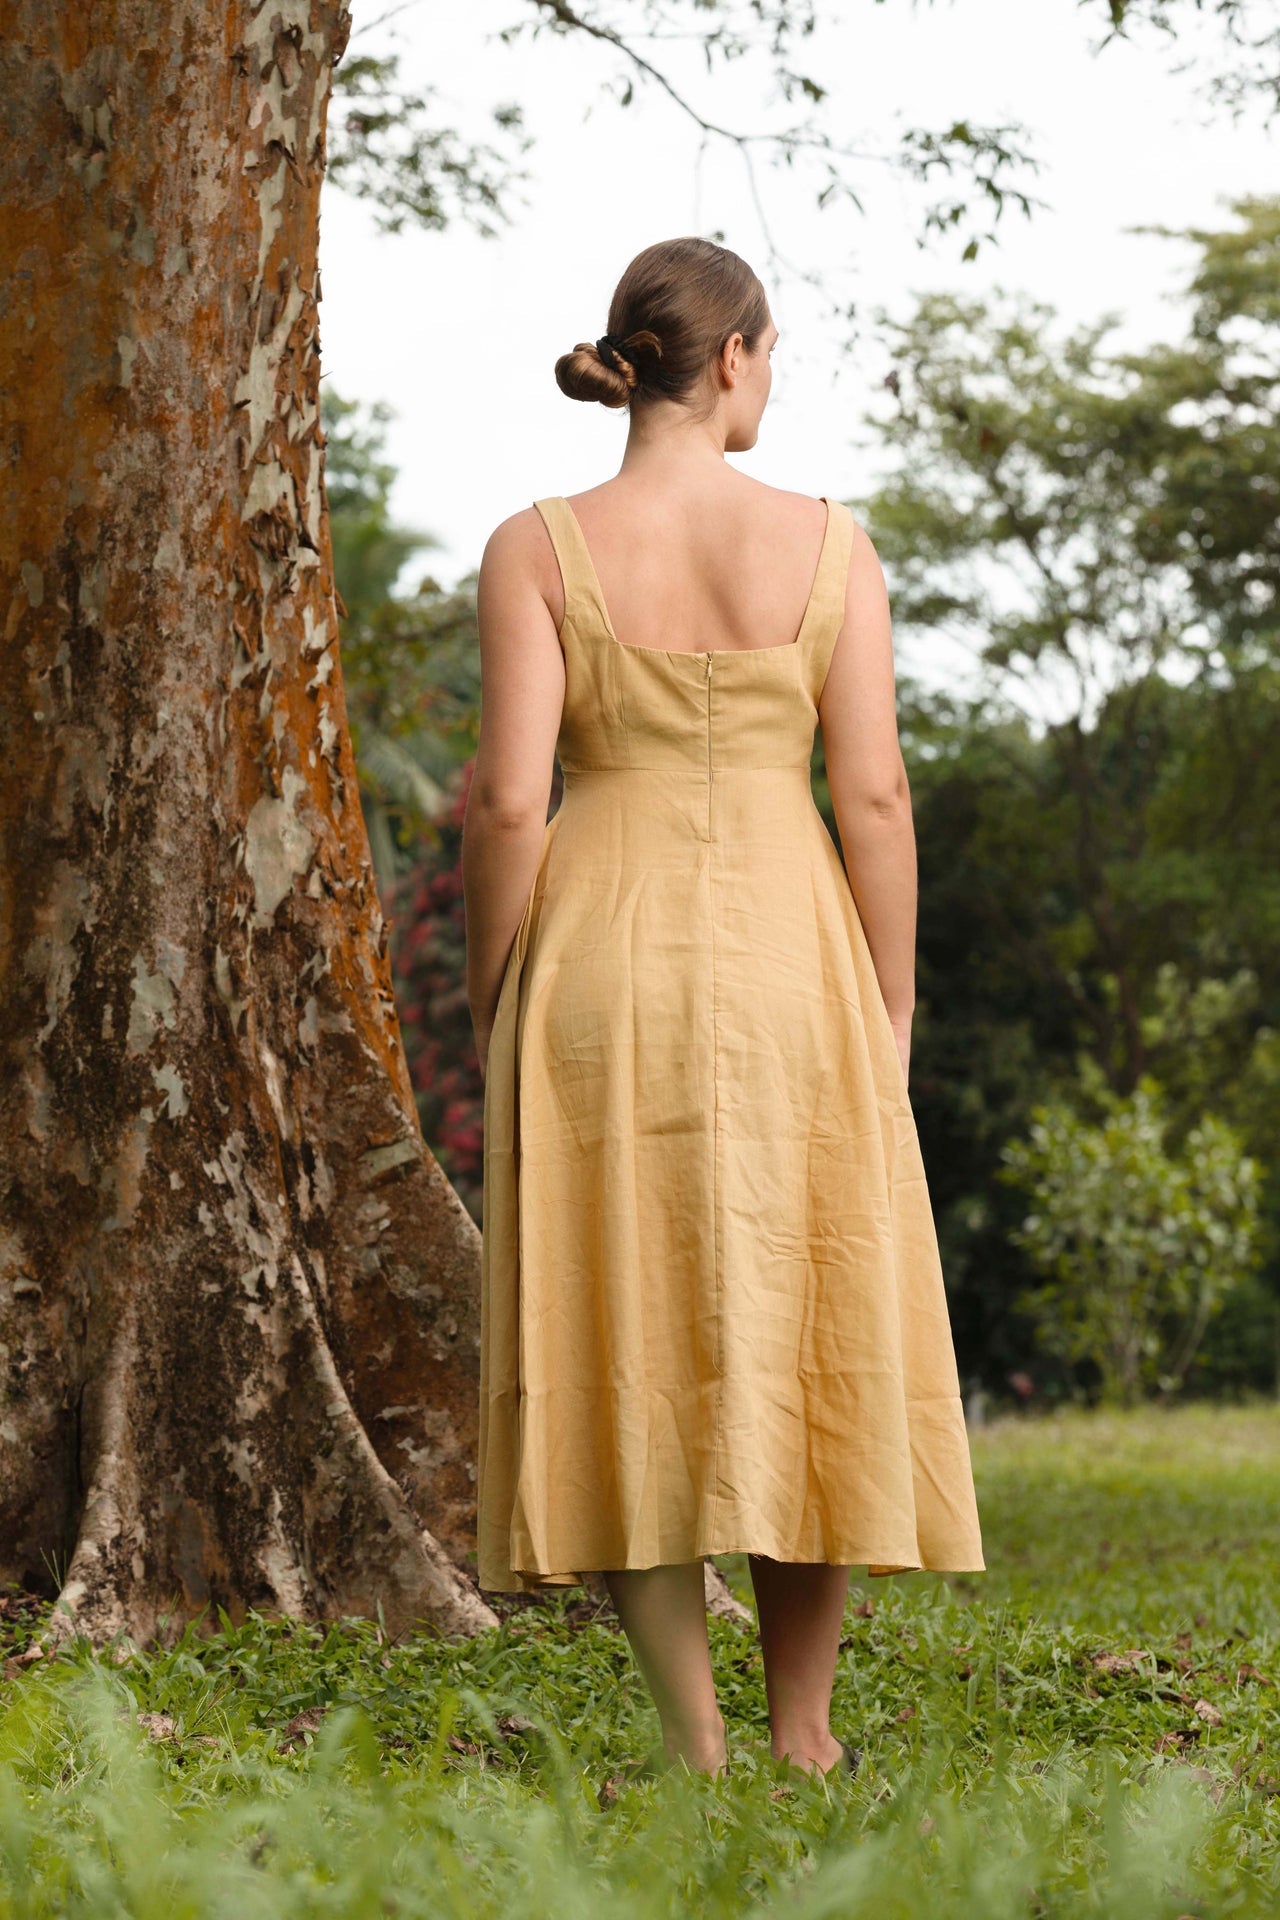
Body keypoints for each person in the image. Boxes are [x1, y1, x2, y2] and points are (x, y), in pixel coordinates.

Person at [462, 236, 985, 1783]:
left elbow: (508, 804)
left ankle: (694, 1741)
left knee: (618, 1319)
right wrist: (891, 1004)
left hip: (599, 962)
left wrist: (496, 999)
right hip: (792, 964)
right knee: (809, 1313)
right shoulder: (831, 545)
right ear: (738, 355)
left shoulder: (535, 545)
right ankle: (803, 1733)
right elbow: (875, 799)